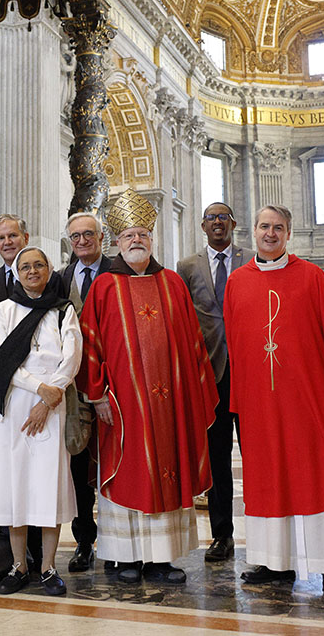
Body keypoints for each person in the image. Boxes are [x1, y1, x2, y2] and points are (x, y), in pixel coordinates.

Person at [77, 188, 218, 584]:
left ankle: (161, 558)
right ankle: (125, 558)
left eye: (142, 234)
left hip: (169, 405)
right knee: (128, 472)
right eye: (128, 236)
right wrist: (98, 393)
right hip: (121, 407)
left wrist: (191, 397)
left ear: (152, 239)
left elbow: (192, 344)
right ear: (117, 243)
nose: (136, 240)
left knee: (167, 471)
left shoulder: (173, 283)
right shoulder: (103, 286)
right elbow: (90, 343)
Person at [224, 205, 324, 596]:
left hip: (306, 400)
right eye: (264, 226)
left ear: (289, 232)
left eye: (279, 227)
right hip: (260, 402)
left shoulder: (312, 277)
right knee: (267, 478)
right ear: (253, 231)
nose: (271, 233)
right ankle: (274, 562)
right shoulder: (237, 281)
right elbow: (236, 343)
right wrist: (242, 398)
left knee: (315, 475)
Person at [0, 246, 83, 596]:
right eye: (25, 266)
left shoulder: (62, 310)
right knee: (16, 484)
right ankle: (19, 565)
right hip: (14, 404)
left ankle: (49, 567)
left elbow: (72, 356)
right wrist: (38, 388)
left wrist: (50, 394)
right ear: (17, 272)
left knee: (47, 484)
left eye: (39, 265)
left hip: (52, 407)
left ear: (49, 269)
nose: (32, 271)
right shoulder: (4, 311)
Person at [176, 202, 245, 562]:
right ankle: (222, 536)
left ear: (233, 224)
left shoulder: (252, 259)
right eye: (211, 218)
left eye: (223, 217)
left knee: (258, 456)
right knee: (217, 459)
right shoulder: (187, 266)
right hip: (210, 373)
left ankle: (266, 535)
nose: (218, 223)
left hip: (249, 372)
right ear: (202, 226)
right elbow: (183, 317)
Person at [58, 211, 112, 573]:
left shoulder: (118, 271)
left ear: (101, 236)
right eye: (75, 236)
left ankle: (118, 540)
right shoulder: (61, 279)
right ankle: (84, 542)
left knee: (112, 465)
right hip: (75, 389)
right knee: (79, 468)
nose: (81, 242)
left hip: (114, 384)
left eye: (88, 235)